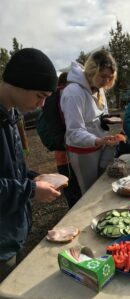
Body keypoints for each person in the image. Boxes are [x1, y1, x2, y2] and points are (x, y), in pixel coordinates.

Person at [0, 48, 60, 282]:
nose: (42, 104)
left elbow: (12, 169)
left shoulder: (11, 114)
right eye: (40, 95)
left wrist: (34, 177)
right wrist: (32, 190)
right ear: (19, 83)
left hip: (11, 232)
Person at [60, 50, 119, 194]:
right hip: (82, 151)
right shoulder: (74, 92)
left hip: (100, 144)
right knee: (90, 191)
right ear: (92, 71)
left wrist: (105, 122)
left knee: (104, 182)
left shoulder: (98, 88)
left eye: (110, 77)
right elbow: (74, 131)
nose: (106, 81)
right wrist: (98, 140)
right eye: (103, 76)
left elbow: (100, 114)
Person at [53, 72, 81, 208]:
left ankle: (73, 205)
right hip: (66, 148)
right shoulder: (63, 95)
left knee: (68, 181)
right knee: (70, 181)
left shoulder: (55, 96)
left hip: (61, 149)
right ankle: (74, 208)